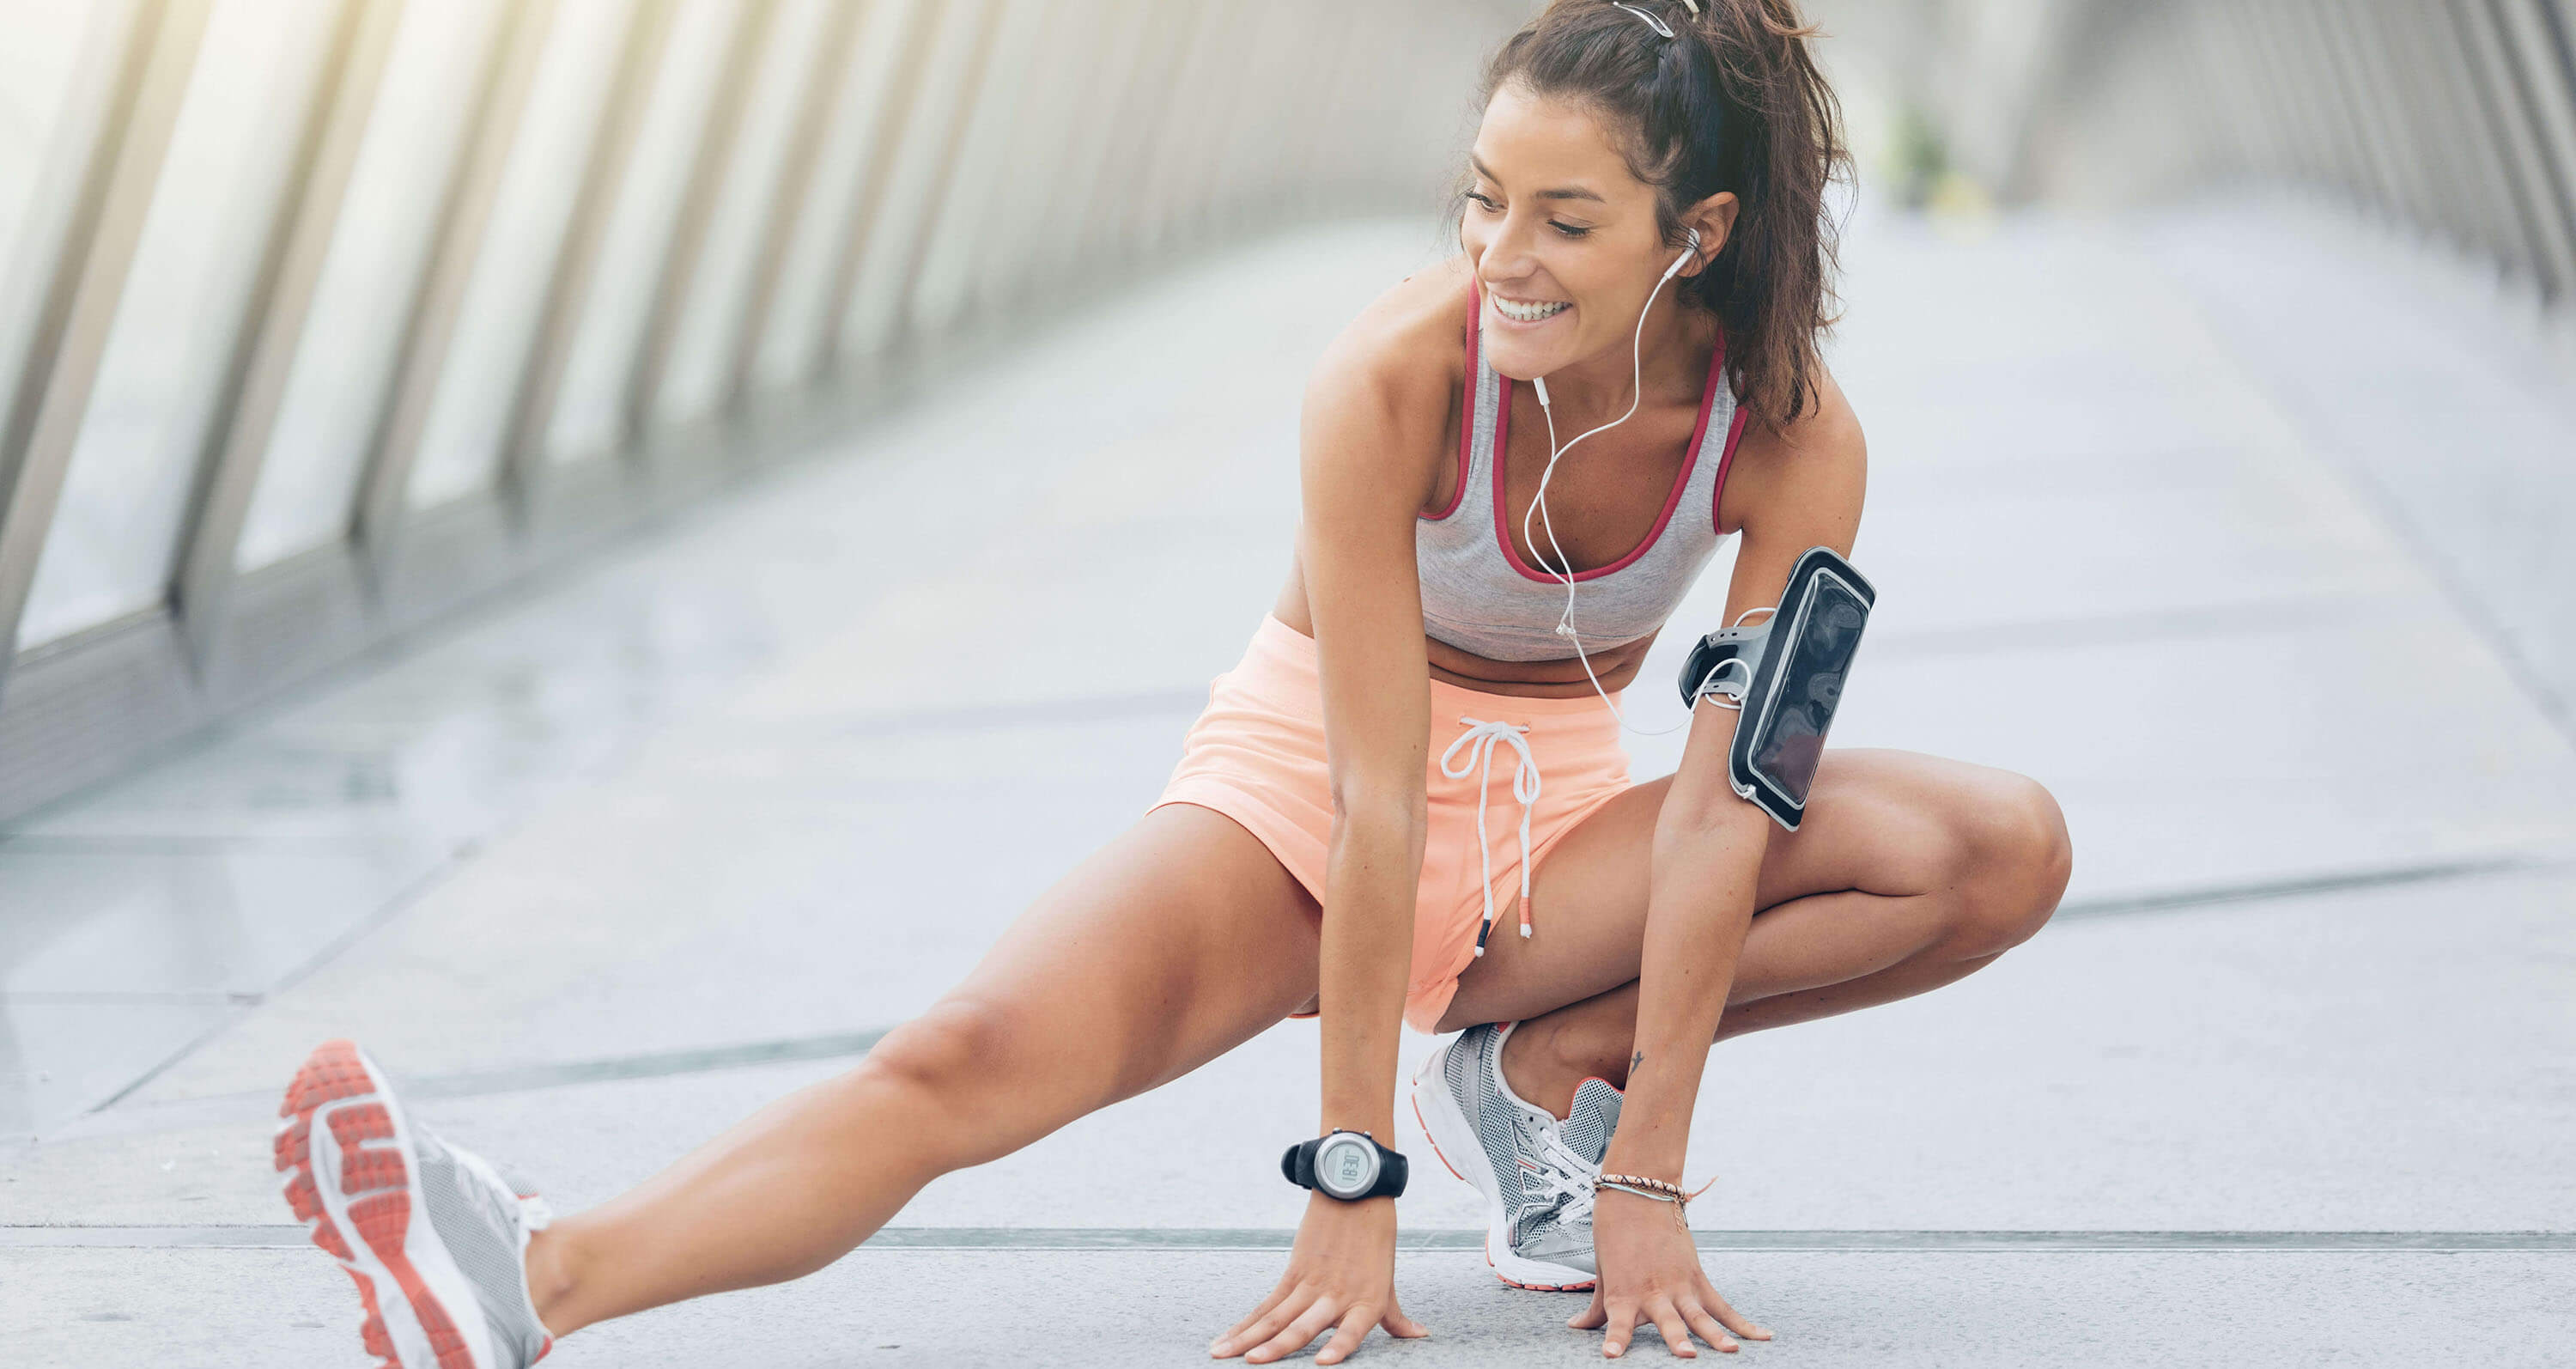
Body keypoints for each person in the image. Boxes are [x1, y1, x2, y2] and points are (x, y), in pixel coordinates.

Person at [271, 1, 2074, 1363]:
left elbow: (1724, 800)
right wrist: (1347, 1181)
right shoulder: (1387, 380)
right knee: (962, 1055)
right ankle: (529, 1271)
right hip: (1314, 785)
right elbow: (1373, 800)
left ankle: (1545, 1068)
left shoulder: (1790, 435)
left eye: (1566, 221)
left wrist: (1648, 1171)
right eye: (1480, 200)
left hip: (1556, 827)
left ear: (1698, 232)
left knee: (1996, 845)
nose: (1499, 260)